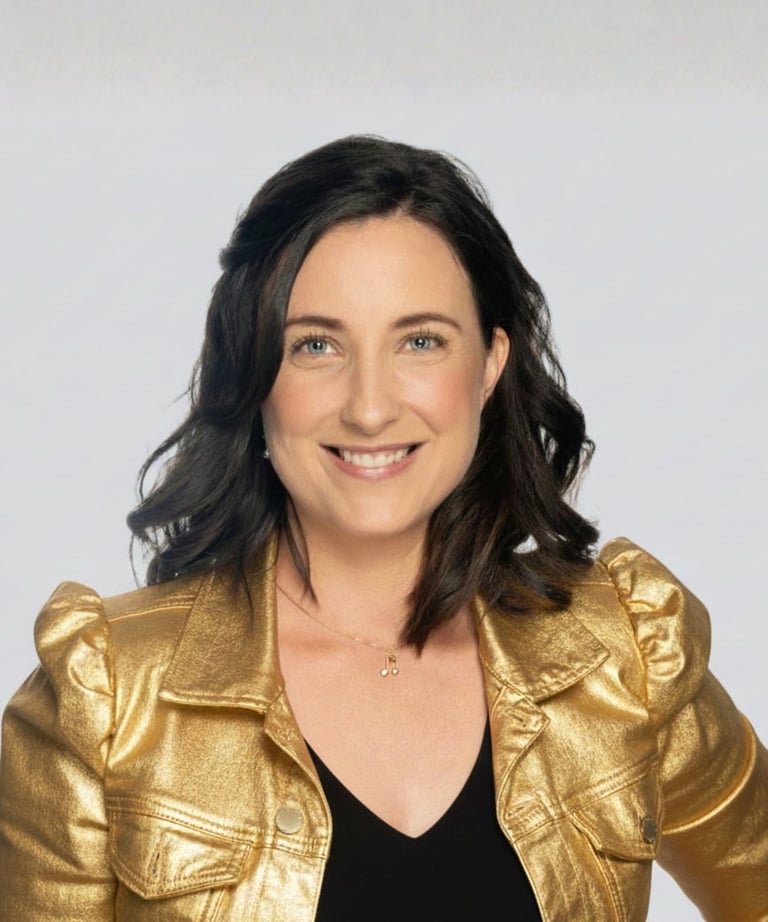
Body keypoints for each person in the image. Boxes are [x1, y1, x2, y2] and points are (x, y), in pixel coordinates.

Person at [0, 136, 765, 922]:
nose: (369, 407)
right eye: (316, 345)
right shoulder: (107, 701)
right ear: (254, 373)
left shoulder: (623, 660)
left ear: (490, 365)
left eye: (420, 341)